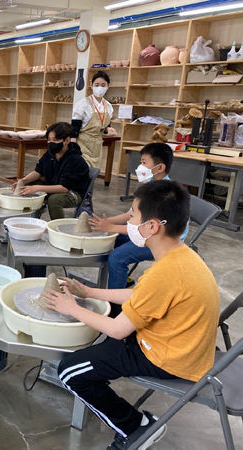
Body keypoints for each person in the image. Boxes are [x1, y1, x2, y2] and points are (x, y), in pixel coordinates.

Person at [45, 180, 219, 450]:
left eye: (133, 215)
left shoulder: (164, 274)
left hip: (169, 358)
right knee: (97, 343)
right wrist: (89, 292)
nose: (129, 221)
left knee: (70, 371)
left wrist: (73, 308)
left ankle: (136, 427)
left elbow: (118, 330)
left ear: (152, 226)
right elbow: (139, 295)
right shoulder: (181, 256)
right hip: (184, 345)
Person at [89, 143, 189, 302]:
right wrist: (106, 222)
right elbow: (131, 215)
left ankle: (114, 303)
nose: (140, 167)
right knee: (111, 238)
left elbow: (146, 229)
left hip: (163, 240)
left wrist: (111, 227)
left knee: (117, 257)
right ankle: (120, 278)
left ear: (160, 167)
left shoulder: (164, 194)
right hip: (150, 233)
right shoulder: (151, 188)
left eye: (144, 162)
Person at [12, 122, 90, 220]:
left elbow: (64, 188)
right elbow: (38, 172)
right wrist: (23, 181)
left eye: (55, 140)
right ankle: (28, 220)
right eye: (49, 140)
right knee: (26, 186)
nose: (51, 143)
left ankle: (58, 226)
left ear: (66, 140)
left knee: (54, 200)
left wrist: (37, 188)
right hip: (54, 184)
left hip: (73, 192)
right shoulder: (50, 154)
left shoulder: (75, 159)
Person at [72, 71, 118, 168]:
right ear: (91, 86)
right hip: (82, 143)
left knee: (94, 170)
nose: (100, 88)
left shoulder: (108, 106)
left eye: (103, 85)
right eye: (97, 85)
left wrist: (108, 129)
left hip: (97, 144)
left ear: (108, 86)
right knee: (82, 169)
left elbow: (105, 125)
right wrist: (72, 145)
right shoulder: (83, 104)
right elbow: (75, 127)